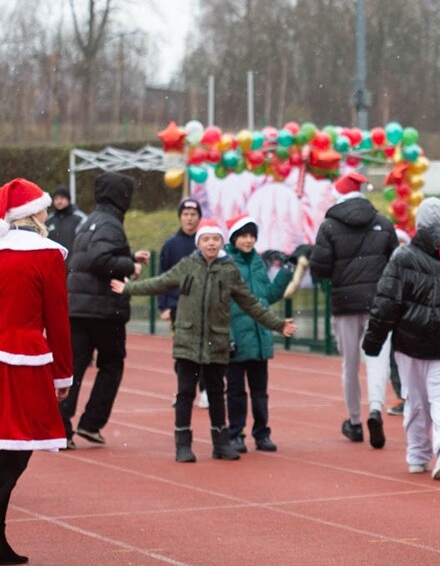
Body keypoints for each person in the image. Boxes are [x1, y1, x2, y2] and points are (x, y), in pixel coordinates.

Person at [111, 219, 296, 463]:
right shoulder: (188, 265)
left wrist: (278, 324)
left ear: (221, 242)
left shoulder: (228, 270)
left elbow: (251, 303)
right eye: (206, 239)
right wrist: (129, 289)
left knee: (217, 393)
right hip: (188, 340)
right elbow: (160, 283)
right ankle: (183, 444)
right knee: (185, 393)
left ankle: (221, 444)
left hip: (216, 341)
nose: (211, 244)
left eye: (215, 239)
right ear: (198, 243)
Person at [362, 198, 440, 479]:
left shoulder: (403, 256)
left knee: (414, 399)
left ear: (418, 224)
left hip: (409, 342)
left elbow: (386, 301)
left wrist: (373, 340)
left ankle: (418, 455)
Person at [0, 179, 72, 565]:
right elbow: (57, 320)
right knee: (16, 451)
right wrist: (63, 375)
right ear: (35, 212)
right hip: (25, 360)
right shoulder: (48, 255)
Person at [60, 172, 149, 449]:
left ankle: (61, 428)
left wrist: (129, 257)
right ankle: (91, 423)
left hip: (79, 306)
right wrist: (130, 266)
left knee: (74, 368)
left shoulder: (89, 221)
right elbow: (100, 260)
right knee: (111, 363)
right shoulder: (111, 224)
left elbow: (89, 257)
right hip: (104, 309)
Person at [311, 172, 398, 448]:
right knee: (377, 359)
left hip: (344, 303)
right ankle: (375, 408)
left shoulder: (329, 227)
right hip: (378, 303)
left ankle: (355, 421)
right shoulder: (383, 223)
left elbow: (320, 268)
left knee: (349, 364)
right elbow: (395, 263)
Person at [224, 214, 294, 454]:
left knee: (260, 392)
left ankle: (262, 433)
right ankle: (235, 434)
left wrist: (287, 271)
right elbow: (221, 304)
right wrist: (228, 336)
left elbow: (269, 296)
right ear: (234, 238)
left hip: (259, 338)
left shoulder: (258, 263)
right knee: (235, 391)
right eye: (243, 235)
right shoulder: (226, 264)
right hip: (236, 340)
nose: (248, 240)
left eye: (252, 236)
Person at [158, 198, 207, 407]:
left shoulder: (205, 244)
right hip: (178, 307)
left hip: (204, 307)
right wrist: (164, 306)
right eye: (186, 215)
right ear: (180, 217)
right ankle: (184, 390)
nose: (189, 219)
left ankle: (204, 390)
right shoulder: (171, 245)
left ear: (199, 218)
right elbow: (162, 276)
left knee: (204, 350)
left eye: (193, 215)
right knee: (183, 353)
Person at [45, 185, 86, 257]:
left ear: (68, 199)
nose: (59, 201)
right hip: (54, 261)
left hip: (73, 261)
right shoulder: (48, 220)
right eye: (56, 199)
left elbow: (85, 242)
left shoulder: (79, 219)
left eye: (62, 198)